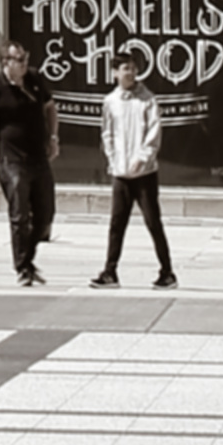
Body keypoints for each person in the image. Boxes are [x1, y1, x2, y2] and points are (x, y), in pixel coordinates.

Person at [91, 54, 175, 290]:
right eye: (125, 68)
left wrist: (144, 157)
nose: (130, 72)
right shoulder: (110, 101)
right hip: (121, 173)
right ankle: (110, 271)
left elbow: (154, 131)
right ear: (115, 73)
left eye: (133, 68)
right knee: (117, 223)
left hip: (144, 174)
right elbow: (107, 132)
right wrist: (112, 158)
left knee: (153, 222)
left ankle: (167, 272)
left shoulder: (147, 100)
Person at [0, 42, 58, 287]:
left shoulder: (34, 78)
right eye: (19, 60)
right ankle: (22, 267)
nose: (24, 63)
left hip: (38, 158)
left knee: (45, 214)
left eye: (25, 58)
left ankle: (28, 258)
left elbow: (50, 107)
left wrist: (53, 137)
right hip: (12, 162)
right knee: (20, 214)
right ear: (6, 63)